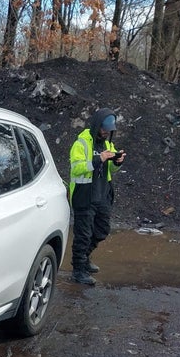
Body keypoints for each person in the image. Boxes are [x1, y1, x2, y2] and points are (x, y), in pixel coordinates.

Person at [68, 108, 126, 285]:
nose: (106, 132)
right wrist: (98, 159)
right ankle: (78, 270)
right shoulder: (82, 143)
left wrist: (117, 162)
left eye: (109, 130)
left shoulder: (108, 144)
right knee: (83, 235)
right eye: (103, 129)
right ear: (96, 125)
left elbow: (112, 170)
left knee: (102, 230)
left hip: (102, 195)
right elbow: (76, 168)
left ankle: (84, 257)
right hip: (84, 195)